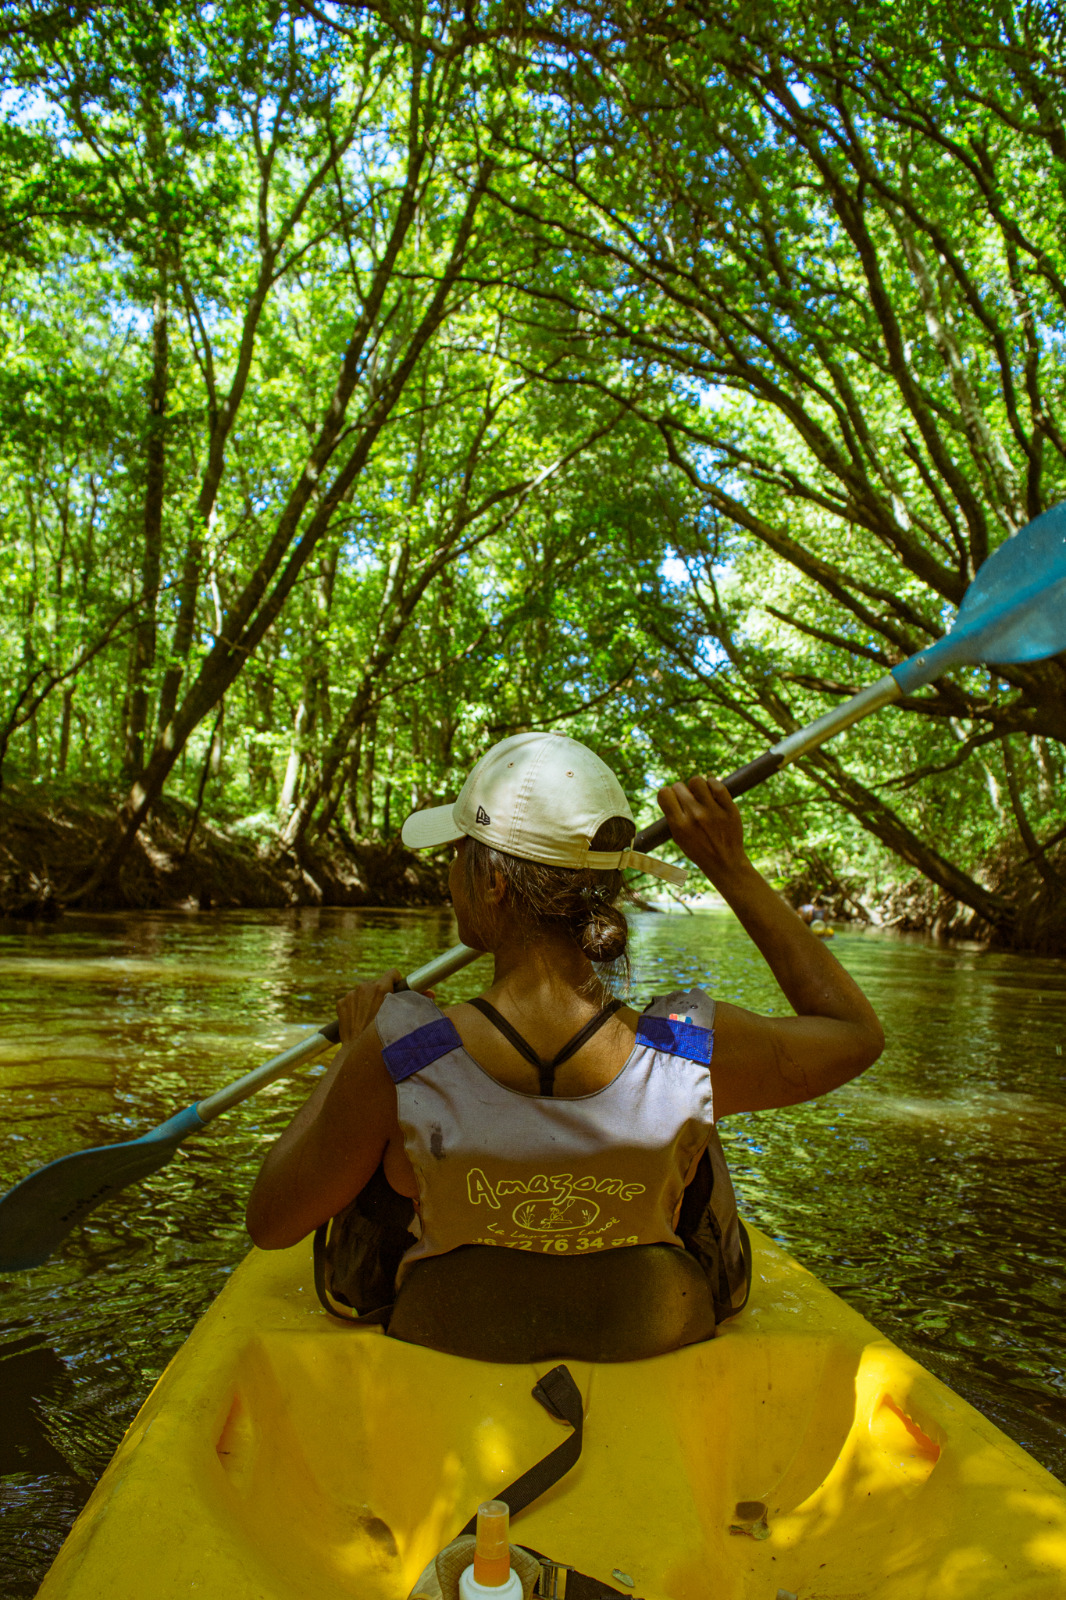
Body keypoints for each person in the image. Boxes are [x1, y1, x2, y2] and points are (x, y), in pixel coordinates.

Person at [246, 732, 883, 1361]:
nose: (449, 872)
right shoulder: (686, 1046)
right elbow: (855, 1034)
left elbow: (271, 1222)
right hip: (652, 1340)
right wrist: (730, 868)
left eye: (459, 852)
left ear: (493, 884)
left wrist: (352, 1051)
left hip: (447, 1345)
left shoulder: (400, 1052)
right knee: (699, 1115)